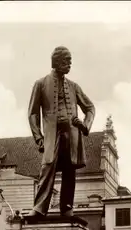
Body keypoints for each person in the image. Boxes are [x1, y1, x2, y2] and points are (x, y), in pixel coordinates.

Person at [28, 46, 95, 218]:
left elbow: (90, 108)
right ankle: (39, 208)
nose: (69, 64)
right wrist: (38, 137)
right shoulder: (41, 84)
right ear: (56, 62)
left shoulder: (74, 87)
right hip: (52, 135)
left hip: (72, 136)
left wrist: (84, 125)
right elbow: (33, 113)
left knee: (69, 171)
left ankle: (66, 207)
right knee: (47, 167)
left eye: (70, 61)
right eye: (66, 61)